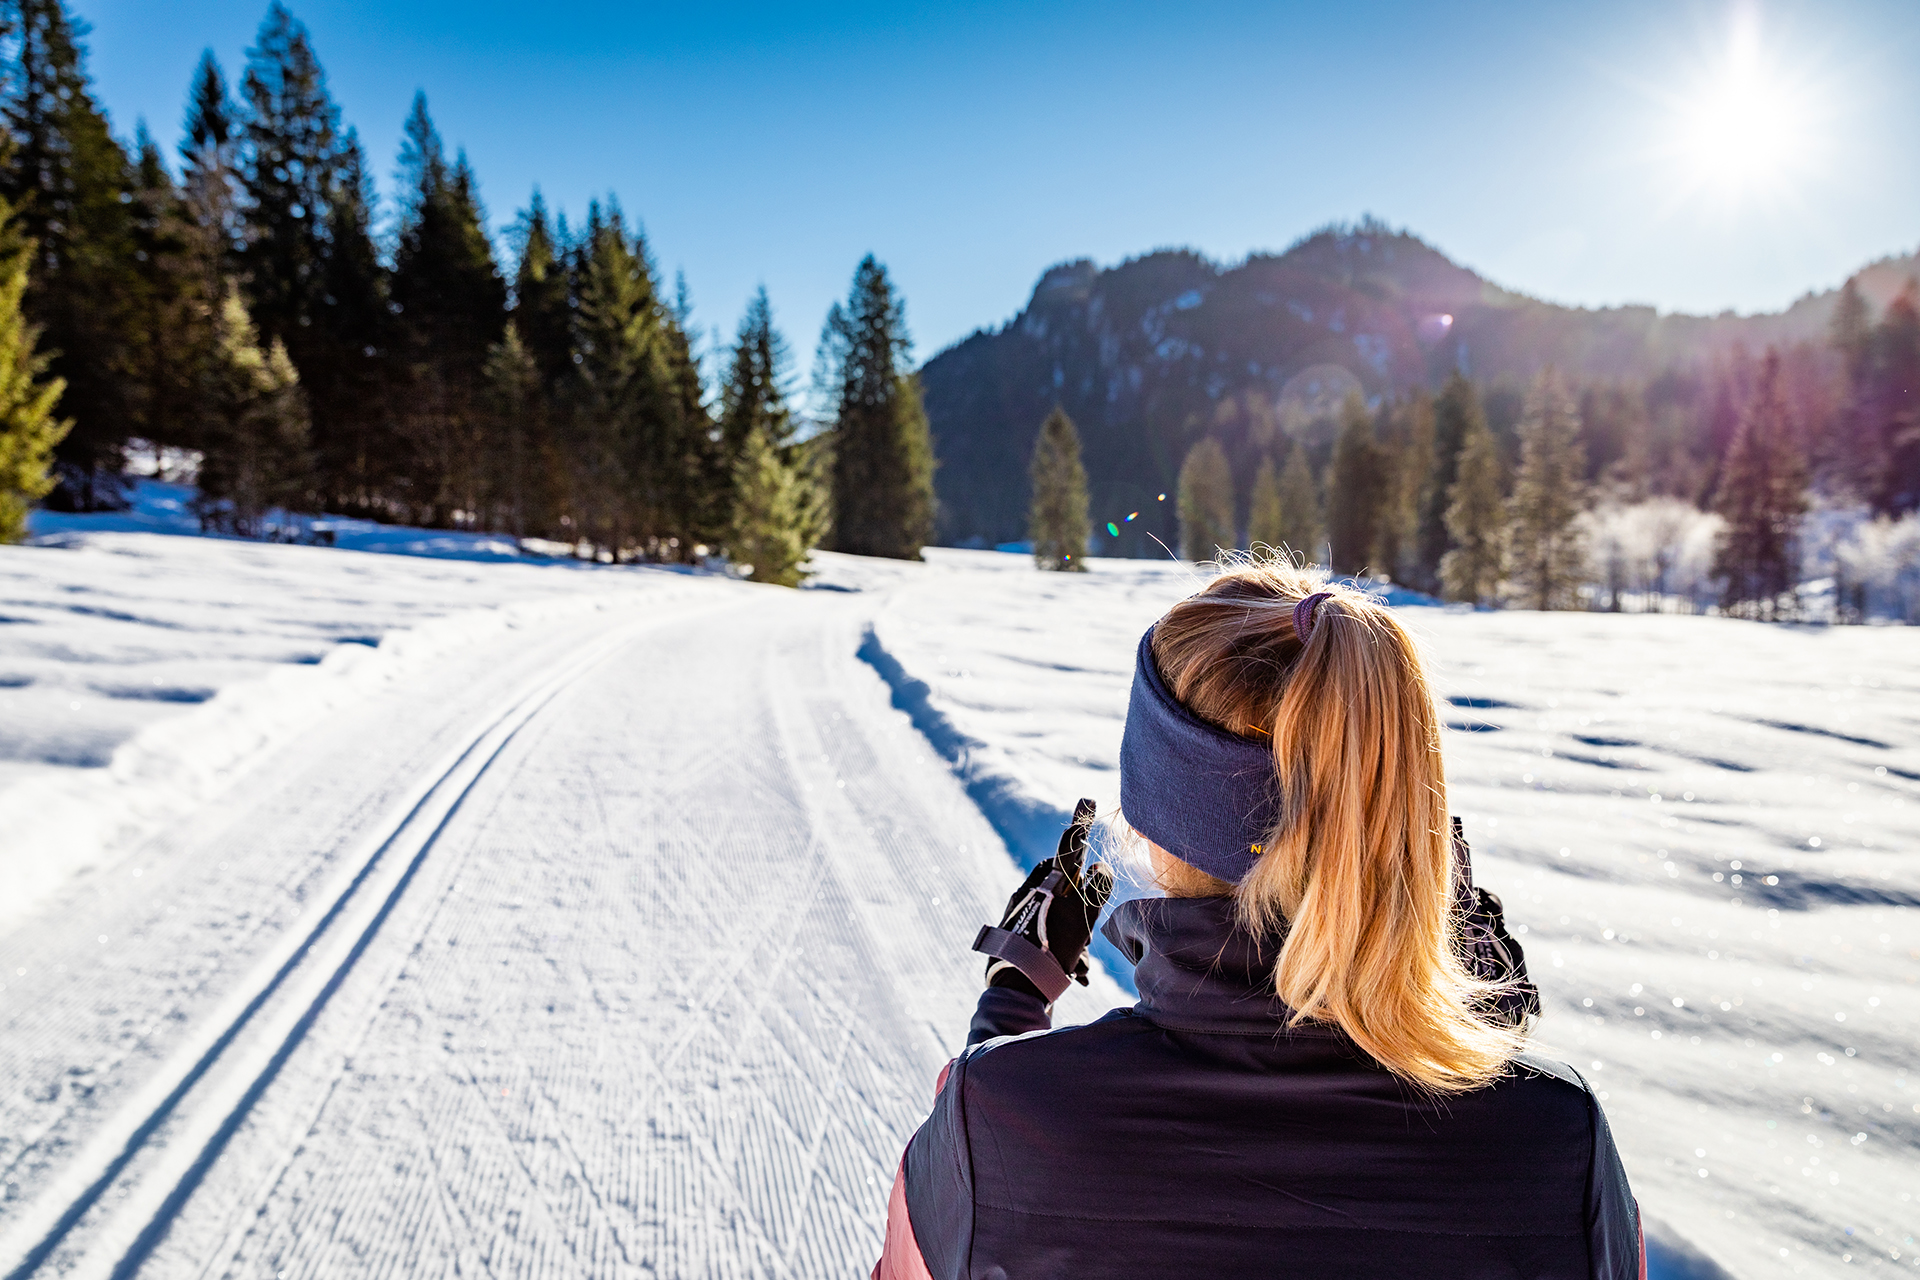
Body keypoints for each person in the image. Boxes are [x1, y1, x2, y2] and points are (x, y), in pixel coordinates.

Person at [873, 559, 1644, 1279]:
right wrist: (1479, 1016)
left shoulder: (998, 1115)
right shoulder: (1558, 1142)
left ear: (1152, 819)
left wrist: (1015, 992)